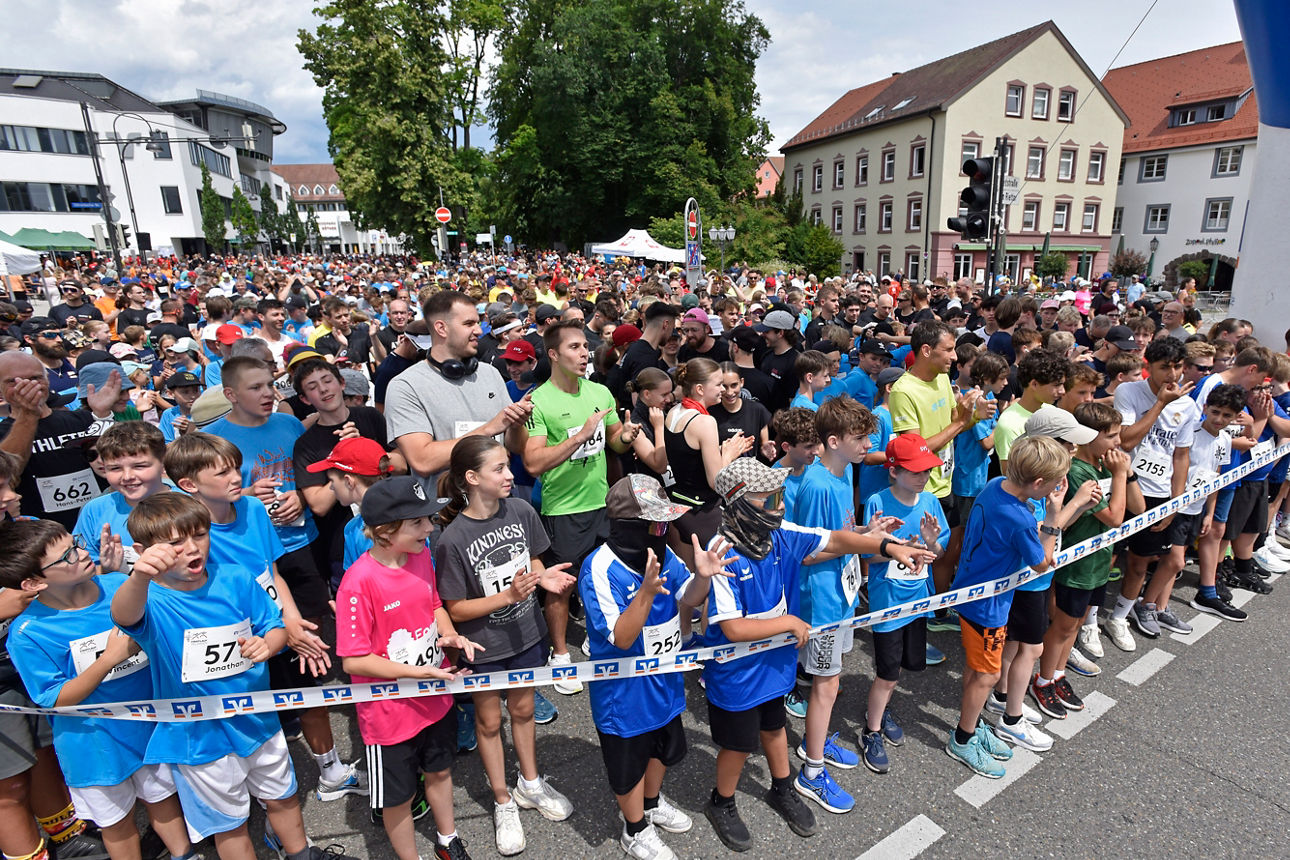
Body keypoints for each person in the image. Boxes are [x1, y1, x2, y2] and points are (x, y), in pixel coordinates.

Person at [700, 458, 934, 852]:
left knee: (774, 726)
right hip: (736, 671)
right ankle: (721, 802)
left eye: (780, 494)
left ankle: (782, 788)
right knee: (738, 745)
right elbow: (733, 629)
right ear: (740, 503)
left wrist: (887, 546)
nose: (780, 504)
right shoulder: (721, 551)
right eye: (770, 497)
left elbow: (837, 540)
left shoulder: (780, 532)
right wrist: (790, 622)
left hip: (773, 662)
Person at [111, 493, 356, 860]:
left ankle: (302, 854)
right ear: (144, 551)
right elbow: (123, 616)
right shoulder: (148, 598)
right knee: (230, 823)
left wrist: (268, 645)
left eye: (199, 535)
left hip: (258, 719)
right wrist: (139, 575)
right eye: (175, 543)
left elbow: (273, 626)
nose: (192, 548)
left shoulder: (236, 577)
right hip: (199, 736)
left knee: (283, 797)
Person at [164, 432, 351, 817]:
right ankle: (258, 802)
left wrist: (293, 621)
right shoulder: (191, 535)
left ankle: (331, 770)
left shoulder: (252, 511)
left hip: (276, 623)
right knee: (252, 716)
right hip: (234, 640)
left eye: (236, 468)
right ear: (188, 485)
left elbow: (273, 572)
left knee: (307, 686)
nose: (236, 477)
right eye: (223, 472)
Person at [2, 519, 195, 860]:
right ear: (33, 582)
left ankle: (185, 855)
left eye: (75, 544)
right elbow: (54, 699)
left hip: (151, 726)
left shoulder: (120, 584)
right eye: (67, 556)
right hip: (92, 744)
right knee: (117, 824)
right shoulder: (28, 632)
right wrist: (107, 660)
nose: (81, 553)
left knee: (164, 800)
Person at [434, 437, 578, 856]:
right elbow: (455, 608)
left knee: (525, 709)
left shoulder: (521, 510)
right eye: (498, 468)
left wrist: (542, 578)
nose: (510, 474)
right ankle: (502, 799)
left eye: (506, 466)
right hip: (484, 647)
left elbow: (534, 557)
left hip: (526, 634)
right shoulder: (452, 538)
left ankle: (530, 783)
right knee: (489, 723)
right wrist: (510, 596)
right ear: (471, 478)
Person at [581, 475, 733, 860]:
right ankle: (634, 830)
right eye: (656, 523)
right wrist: (646, 594)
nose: (662, 531)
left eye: (666, 523)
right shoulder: (598, 567)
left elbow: (688, 597)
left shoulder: (663, 555)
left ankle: (651, 805)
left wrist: (703, 576)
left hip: (665, 683)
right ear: (629, 524)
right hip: (624, 696)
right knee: (628, 766)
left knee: (662, 751)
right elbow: (621, 637)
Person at [335, 477, 475, 860]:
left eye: (428, 520)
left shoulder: (419, 555)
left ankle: (448, 839)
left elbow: (433, 605)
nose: (429, 528)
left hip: (435, 697)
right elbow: (353, 659)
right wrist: (420, 674)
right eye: (417, 523)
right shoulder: (358, 583)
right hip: (389, 714)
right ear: (383, 532)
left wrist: (448, 636)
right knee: (399, 796)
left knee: (441, 770)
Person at [945, 437, 1086, 778]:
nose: (1056, 489)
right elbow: (1042, 562)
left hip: (969, 592)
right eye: (1055, 484)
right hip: (987, 607)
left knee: (977, 668)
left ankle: (973, 723)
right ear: (1038, 484)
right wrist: (1053, 517)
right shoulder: (1021, 517)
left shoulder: (996, 485)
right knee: (988, 674)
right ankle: (963, 739)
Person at [524, 320, 640, 691]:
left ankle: (596, 633)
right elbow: (534, 463)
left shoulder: (600, 392)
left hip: (602, 503)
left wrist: (626, 435)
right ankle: (559, 654)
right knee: (561, 587)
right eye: (574, 347)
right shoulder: (539, 400)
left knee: (600, 575)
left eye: (585, 347)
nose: (584, 353)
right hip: (563, 508)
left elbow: (614, 445)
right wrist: (581, 437)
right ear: (554, 355)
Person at [791, 397, 881, 811]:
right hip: (822, 602)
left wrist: (866, 530)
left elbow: (839, 533)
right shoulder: (817, 484)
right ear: (833, 440)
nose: (867, 445)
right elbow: (807, 552)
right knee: (825, 685)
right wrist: (866, 542)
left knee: (831, 683)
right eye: (859, 438)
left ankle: (817, 736)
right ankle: (811, 772)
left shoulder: (843, 473)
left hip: (841, 596)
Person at [859, 433, 950, 773]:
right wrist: (897, 548)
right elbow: (867, 554)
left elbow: (937, 552)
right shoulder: (877, 503)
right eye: (916, 471)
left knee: (901, 669)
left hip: (918, 599)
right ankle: (872, 730)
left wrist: (929, 545)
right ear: (893, 471)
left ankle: (879, 710)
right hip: (888, 604)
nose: (924, 477)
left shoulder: (930, 502)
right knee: (886, 672)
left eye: (927, 470)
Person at [385, 290, 533, 496]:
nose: (479, 331)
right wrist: (490, 428)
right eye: (469, 324)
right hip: (447, 516)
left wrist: (517, 424)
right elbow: (422, 460)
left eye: (477, 322)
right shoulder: (405, 386)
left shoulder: (489, 374)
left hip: (502, 505)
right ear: (441, 328)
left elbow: (516, 446)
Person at [1104, 337, 1197, 651]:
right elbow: (1126, 441)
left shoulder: (1188, 404)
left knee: (1140, 564)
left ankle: (1119, 617)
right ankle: (1087, 620)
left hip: (1158, 494)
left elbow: (1180, 456)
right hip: (1121, 486)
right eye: (1164, 367)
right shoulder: (1129, 392)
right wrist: (1160, 404)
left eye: (1178, 367)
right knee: (1105, 558)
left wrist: (1176, 501)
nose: (1172, 374)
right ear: (1148, 367)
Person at [0, 351, 114, 529]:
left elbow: (119, 457)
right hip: (46, 532)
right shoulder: (3, 433)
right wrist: (28, 415)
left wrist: (103, 415)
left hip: (100, 521)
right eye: (13, 381)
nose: (27, 386)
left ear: (47, 380)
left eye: (35, 378)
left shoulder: (82, 419)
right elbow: (9, 472)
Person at [711, 364, 774, 462]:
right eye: (724, 386)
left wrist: (766, 449)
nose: (729, 392)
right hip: (721, 472)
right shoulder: (710, 413)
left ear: (742, 382)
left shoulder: (757, 410)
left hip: (749, 473)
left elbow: (764, 444)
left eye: (734, 385)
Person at [756, 310, 801, 413]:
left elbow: (793, 400)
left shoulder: (796, 362)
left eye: (767, 331)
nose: (762, 334)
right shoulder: (767, 356)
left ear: (780, 333)